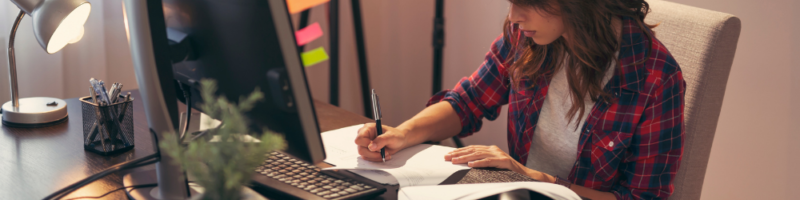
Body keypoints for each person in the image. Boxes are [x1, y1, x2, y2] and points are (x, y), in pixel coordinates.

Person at [355, 0, 685, 199]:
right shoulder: (528, 38)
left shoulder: (655, 77)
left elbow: (640, 198)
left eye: (528, 2)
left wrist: (532, 177)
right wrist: (401, 133)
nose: (514, 16)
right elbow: (469, 100)